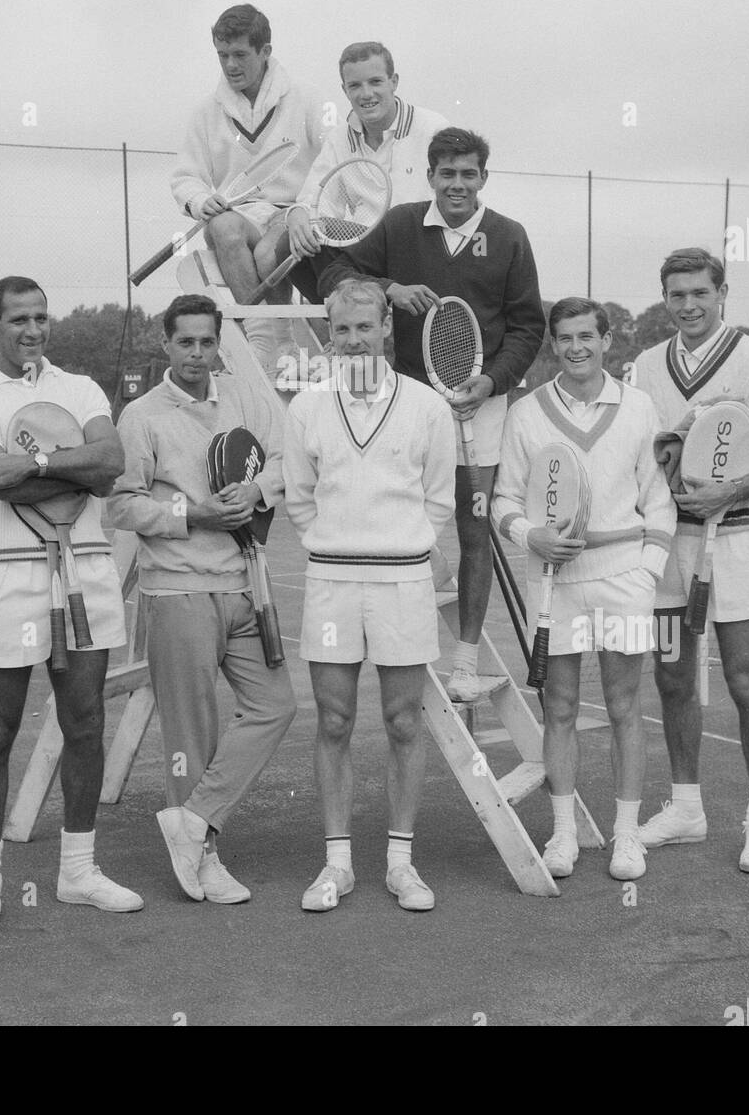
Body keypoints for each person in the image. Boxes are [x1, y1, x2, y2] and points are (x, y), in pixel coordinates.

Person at [0, 276, 142, 943]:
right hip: (6, 576)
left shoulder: (81, 388)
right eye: (19, 319)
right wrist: (69, 468)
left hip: (85, 566)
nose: (33, 331)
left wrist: (37, 461)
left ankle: (79, 872)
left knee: (85, 720)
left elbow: (109, 461)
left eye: (41, 318)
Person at [320, 127, 546, 704]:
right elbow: (335, 270)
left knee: (476, 533)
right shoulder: (398, 225)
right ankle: (399, 647)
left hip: (481, 407)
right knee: (405, 523)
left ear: (483, 179)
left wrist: (492, 380)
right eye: (447, 174)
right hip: (403, 409)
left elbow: (527, 327)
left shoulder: (510, 238)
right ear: (430, 176)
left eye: (468, 174)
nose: (457, 184)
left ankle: (466, 662)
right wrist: (388, 287)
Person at [632, 248, 749, 873]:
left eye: (700, 294)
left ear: (722, 293)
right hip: (664, 549)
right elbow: (640, 450)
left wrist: (730, 491)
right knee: (673, 678)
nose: (688, 305)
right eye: (676, 295)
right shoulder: (646, 364)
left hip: (735, 544)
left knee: (743, 679)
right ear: (665, 299)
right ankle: (687, 808)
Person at [110, 293, 296, 903]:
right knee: (192, 737)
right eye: (184, 341)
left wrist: (257, 492)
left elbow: (285, 461)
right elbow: (121, 503)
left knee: (275, 705)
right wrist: (192, 512)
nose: (196, 353)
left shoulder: (242, 397)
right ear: (165, 343)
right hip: (178, 592)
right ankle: (204, 859)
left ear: (220, 343)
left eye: (206, 341)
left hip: (246, 587)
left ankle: (193, 822)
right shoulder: (141, 416)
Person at [283, 277, 456, 912]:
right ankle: (337, 865)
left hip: (403, 582)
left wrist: (399, 544)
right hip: (331, 582)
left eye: (365, 327)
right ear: (329, 335)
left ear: (388, 327)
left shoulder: (427, 408)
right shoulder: (306, 408)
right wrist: (335, 543)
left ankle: (402, 864)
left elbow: (437, 500)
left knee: (403, 721)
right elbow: (300, 500)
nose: (353, 340)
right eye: (342, 329)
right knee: (333, 720)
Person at [493, 297, 675, 882]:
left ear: (606, 341)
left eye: (586, 337)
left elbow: (660, 501)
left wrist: (645, 571)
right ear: (552, 344)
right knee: (561, 710)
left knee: (625, 707)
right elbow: (501, 502)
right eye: (565, 338)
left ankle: (626, 837)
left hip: (624, 582)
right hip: (555, 585)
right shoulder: (525, 413)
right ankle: (564, 834)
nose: (576, 348)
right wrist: (530, 535)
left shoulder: (640, 407)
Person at [170, 3, 322, 371]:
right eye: (222, 56)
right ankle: (260, 337)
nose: (230, 65)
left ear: (265, 51)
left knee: (270, 251)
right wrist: (200, 200)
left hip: (293, 215)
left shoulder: (304, 98)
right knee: (222, 226)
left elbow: (329, 162)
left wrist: (306, 208)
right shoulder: (206, 111)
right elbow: (185, 177)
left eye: (240, 54)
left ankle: (282, 341)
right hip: (241, 214)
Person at [277, 40, 448, 304]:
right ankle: (346, 315)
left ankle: (357, 309)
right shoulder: (339, 138)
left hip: (421, 251)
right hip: (368, 254)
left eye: (375, 82)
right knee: (293, 242)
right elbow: (316, 205)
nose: (366, 94)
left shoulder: (433, 128)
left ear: (394, 81)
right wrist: (298, 214)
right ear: (344, 90)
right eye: (355, 86)